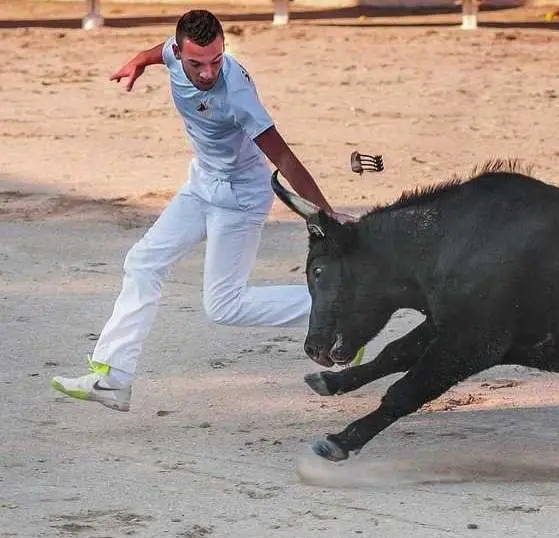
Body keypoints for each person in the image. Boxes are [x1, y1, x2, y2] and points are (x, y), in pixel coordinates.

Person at [51, 9, 357, 412]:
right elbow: (158, 52)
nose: (209, 72)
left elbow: (284, 158)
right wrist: (138, 62)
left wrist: (324, 215)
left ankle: (344, 308)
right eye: (197, 63)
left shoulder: (236, 92)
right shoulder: (175, 55)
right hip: (201, 184)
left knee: (224, 307)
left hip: (240, 196)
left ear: (224, 50)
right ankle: (113, 378)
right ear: (181, 52)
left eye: (216, 60)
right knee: (143, 263)